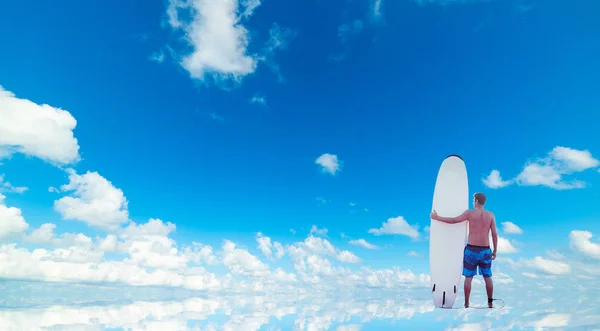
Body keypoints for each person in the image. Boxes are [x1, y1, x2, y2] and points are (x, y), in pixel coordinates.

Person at [430, 192, 498, 308]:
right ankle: (490, 302)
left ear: (476, 201)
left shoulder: (470, 213)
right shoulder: (490, 215)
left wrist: (437, 218)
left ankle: (466, 303)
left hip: (471, 250)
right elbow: (494, 234)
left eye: (473, 200)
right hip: (486, 250)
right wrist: (495, 250)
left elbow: (453, 220)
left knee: (468, 278)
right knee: (487, 277)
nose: (473, 202)